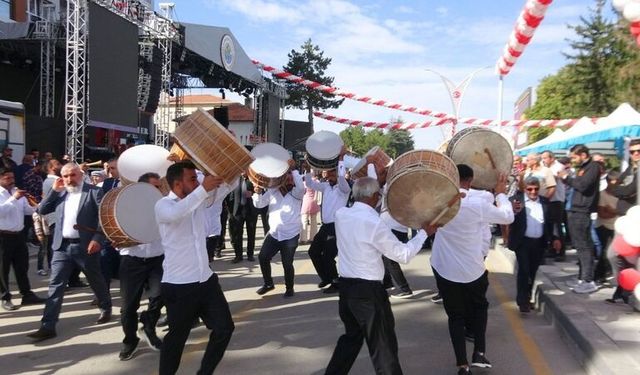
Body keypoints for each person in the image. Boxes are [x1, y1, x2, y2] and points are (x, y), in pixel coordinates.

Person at [324, 177, 432, 375]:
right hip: (368, 292)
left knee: (351, 339)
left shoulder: (341, 214)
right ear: (374, 197)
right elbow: (403, 254)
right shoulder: (374, 223)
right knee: (383, 347)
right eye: (379, 195)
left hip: (347, 290)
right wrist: (424, 233)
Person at [430, 165, 514, 375]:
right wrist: (501, 193)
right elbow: (507, 217)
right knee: (479, 309)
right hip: (472, 270)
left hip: (445, 269)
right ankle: (479, 352)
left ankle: (462, 365)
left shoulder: (437, 202)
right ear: (471, 179)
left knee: (455, 317)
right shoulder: (477, 203)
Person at [155, 161, 235, 375]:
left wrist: (236, 168)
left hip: (206, 281)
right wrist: (202, 189)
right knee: (177, 339)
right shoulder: (163, 205)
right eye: (192, 178)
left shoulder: (198, 199)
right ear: (177, 183)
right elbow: (175, 214)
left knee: (225, 328)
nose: (198, 181)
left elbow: (227, 187)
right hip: (179, 285)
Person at [27, 163, 112, 342]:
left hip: (85, 246)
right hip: (61, 247)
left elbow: (103, 218)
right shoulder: (60, 192)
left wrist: (97, 240)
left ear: (80, 175)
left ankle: (105, 306)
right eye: (65, 176)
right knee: (56, 285)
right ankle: (48, 325)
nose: (69, 179)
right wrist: (54, 191)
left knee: (95, 279)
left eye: (72, 175)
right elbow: (42, 210)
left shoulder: (93, 192)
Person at [118, 173, 165, 361]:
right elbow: (113, 228)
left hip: (157, 259)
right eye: (154, 187)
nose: (158, 190)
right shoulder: (127, 206)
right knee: (128, 307)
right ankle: (130, 340)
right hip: (132, 260)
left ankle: (148, 324)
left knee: (161, 294)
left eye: (159, 187)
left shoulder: (164, 206)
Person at [508, 177, 560, 313]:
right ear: (524, 189)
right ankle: (522, 301)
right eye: (529, 189)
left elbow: (551, 222)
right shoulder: (515, 201)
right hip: (522, 242)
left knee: (532, 271)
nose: (533, 192)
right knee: (524, 271)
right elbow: (506, 217)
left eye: (536, 189)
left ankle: (528, 297)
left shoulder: (545, 202)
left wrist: (555, 238)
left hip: (539, 242)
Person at [252, 168, 305, 298]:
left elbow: (300, 185)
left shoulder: (297, 193)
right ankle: (268, 284)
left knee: (287, 263)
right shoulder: (272, 191)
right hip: (274, 234)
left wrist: (293, 170)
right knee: (263, 257)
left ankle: (289, 288)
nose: (287, 178)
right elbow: (259, 204)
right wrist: (257, 193)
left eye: (289, 176)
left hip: (290, 235)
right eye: (284, 175)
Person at [0, 167, 45, 311]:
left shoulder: (16, 192)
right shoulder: (9, 195)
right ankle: (5, 297)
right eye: (8, 178)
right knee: (2, 269)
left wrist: (35, 204)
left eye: (12, 178)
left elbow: (27, 210)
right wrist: (14, 199)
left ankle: (27, 294)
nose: (12, 181)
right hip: (3, 236)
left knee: (22, 267)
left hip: (19, 235)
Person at [559, 144, 601, 294]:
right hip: (574, 209)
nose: (572, 160)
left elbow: (583, 186)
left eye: (574, 157)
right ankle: (581, 277)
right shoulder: (584, 167)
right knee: (579, 245)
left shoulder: (593, 167)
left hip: (582, 211)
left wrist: (566, 178)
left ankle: (588, 280)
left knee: (584, 246)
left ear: (583, 155)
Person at [305, 160, 351, 294]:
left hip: (337, 226)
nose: (328, 177)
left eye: (332, 174)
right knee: (313, 252)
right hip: (325, 226)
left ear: (337, 175)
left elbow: (342, 178)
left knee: (328, 256)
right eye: (328, 174)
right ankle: (326, 277)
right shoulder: (325, 186)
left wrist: (341, 160)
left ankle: (336, 282)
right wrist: (308, 171)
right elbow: (310, 183)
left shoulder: (344, 189)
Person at [541, 150, 567, 260]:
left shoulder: (559, 166)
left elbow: (553, 179)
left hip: (556, 200)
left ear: (552, 158)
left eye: (545, 158)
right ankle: (551, 248)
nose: (543, 160)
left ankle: (560, 251)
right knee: (549, 226)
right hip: (548, 200)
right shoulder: (545, 168)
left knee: (557, 226)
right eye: (542, 158)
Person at [227, 173, 258, 263]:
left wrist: (252, 193)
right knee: (237, 234)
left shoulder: (253, 179)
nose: (243, 171)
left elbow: (260, 191)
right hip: (238, 211)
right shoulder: (235, 180)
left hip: (251, 211)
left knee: (251, 234)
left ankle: (250, 254)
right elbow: (229, 194)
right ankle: (238, 255)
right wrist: (230, 209)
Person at [610, 138, 639, 215]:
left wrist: (620, 188)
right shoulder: (630, 167)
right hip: (625, 213)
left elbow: (629, 191)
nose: (636, 153)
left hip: (635, 214)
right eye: (632, 152)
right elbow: (612, 187)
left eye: (639, 151)